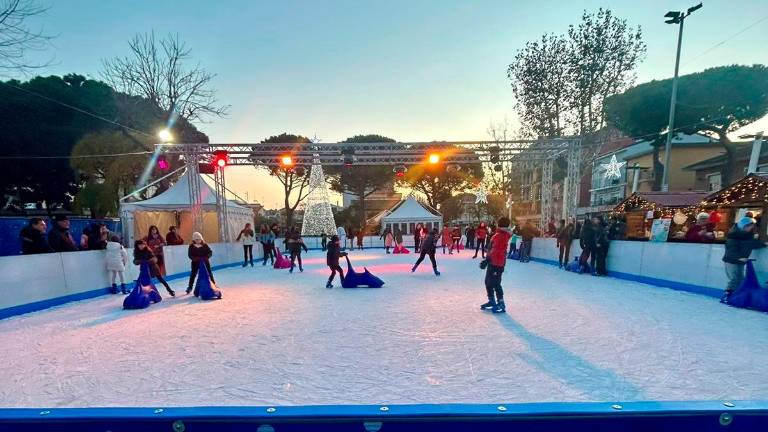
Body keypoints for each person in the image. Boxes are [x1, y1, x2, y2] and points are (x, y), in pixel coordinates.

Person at [721, 216, 767, 302]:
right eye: (749, 227)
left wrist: (763, 244)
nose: (750, 229)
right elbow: (731, 250)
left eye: (751, 227)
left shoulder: (748, 235)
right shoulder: (733, 235)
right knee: (734, 278)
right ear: (743, 226)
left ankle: (736, 296)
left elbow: (752, 244)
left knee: (741, 279)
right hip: (731, 261)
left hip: (741, 261)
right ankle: (727, 296)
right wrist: (739, 257)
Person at [480, 216, 513, 314]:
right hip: (494, 262)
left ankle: (501, 303)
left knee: (495, 283)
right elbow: (492, 248)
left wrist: (487, 260)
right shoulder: (499, 234)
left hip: (496, 263)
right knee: (488, 282)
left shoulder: (500, 235)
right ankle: (492, 300)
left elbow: (496, 250)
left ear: (499, 224)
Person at [186, 232, 215, 296]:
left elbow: (210, 252)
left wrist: (207, 257)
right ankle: (190, 287)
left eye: (199, 239)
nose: (198, 241)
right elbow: (190, 255)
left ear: (201, 239)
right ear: (193, 240)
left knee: (209, 273)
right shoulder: (191, 246)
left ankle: (213, 284)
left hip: (205, 262)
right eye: (196, 239)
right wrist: (195, 259)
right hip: (195, 263)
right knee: (193, 274)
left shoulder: (205, 245)